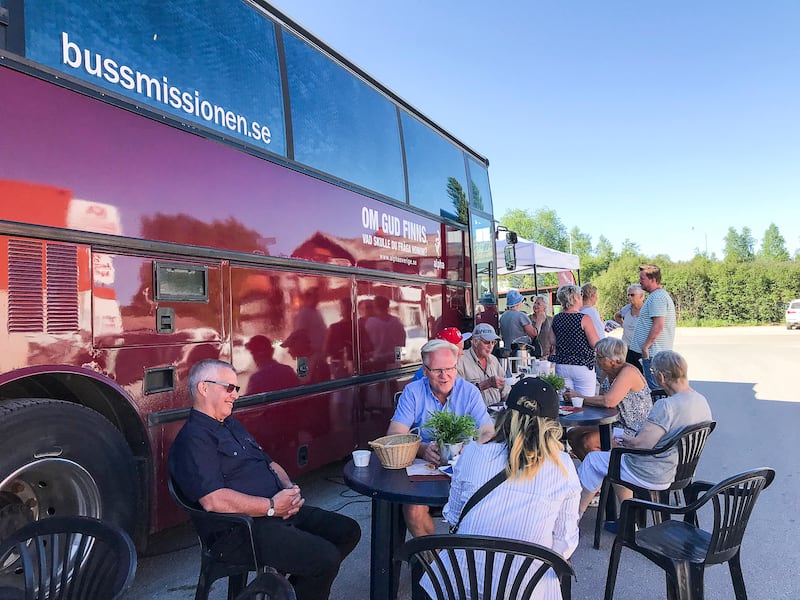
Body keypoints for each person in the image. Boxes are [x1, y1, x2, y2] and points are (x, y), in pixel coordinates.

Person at [169, 359, 361, 600]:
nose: (234, 395)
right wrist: (271, 507)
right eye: (228, 388)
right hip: (240, 531)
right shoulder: (194, 439)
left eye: (236, 389)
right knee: (324, 559)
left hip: (274, 513)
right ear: (204, 388)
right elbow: (213, 500)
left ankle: (288, 592)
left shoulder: (231, 425)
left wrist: (290, 491)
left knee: (348, 531)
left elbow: (270, 464)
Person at [424, 378, 580, 599]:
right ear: (552, 425)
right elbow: (564, 544)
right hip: (524, 591)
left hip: (459, 586)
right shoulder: (563, 467)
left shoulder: (472, 452)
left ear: (505, 415)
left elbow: (453, 516)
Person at [576, 350, 712, 514]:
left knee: (593, 460)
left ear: (661, 376)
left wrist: (623, 437)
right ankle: (627, 518)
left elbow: (641, 446)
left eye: (653, 373)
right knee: (612, 460)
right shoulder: (701, 400)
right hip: (682, 470)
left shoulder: (666, 406)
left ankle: (573, 517)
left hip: (653, 472)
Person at [388, 339, 494, 537]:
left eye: (450, 369)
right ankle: (435, 564)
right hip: (424, 473)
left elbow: (487, 431)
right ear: (425, 370)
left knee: (488, 503)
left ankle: (468, 561)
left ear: (456, 367)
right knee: (413, 509)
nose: (444, 376)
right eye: (437, 370)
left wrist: (468, 447)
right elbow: (394, 434)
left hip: (465, 470)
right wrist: (421, 449)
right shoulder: (413, 392)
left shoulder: (469, 392)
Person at [564, 337, 652, 459]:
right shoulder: (608, 372)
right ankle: (592, 471)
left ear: (613, 360)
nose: (596, 359)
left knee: (588, 441)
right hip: (613, 423)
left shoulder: (628, 372)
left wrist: (579, 397)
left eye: (599, 357)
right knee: (573, 434)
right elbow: (601, 400)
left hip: (632, 430)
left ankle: (607, 473)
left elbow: (608, 401)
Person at [628, 264, 676, 390]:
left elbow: (659, 325)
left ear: (653, 279)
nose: (640, 281)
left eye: (642, 279)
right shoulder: (655, 296)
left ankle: (656, 409)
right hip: (650, 353)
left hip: (653, 353)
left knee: (654, 389)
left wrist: (645, 347)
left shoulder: (658, 297)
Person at [547, 285, 600, 397]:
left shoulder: (556, 318)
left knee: (565, 401)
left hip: (562, 364)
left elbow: (552, 340)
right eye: (580, 295)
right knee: (586, 401)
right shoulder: (584, 318)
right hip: (583, 365)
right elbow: (594, 343)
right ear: (575, 298)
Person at [457, 323, 509, 407]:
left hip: (496, 412)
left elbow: (505, 391)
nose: (490, 346)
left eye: (493, 342)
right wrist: (486, 384)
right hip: (472, 414)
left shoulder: (493, 360)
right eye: (487, 342)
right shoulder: (461, 360)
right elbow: (458, 393)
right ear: (475, 342)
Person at [365, 295, 406, 370]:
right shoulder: (396, 321)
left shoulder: (370, 322)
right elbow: (402, 342)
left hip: (377, 361)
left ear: (375, 306)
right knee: (393, 380)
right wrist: (399, 360)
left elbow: (367, 344)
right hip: (393, 360)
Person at [614, 284, 645, 348]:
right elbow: (617, 316)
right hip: (625, 346)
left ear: (641, 296)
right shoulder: (627, 308)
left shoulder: (647, 310)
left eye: (632, 295)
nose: (629, 297)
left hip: (640, 348)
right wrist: (623, 325)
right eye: (628, 295)